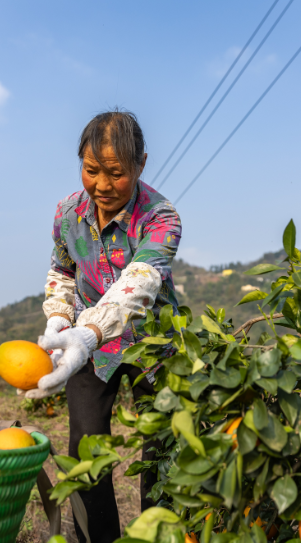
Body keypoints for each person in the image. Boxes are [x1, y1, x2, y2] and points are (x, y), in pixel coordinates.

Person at [27, 110, 182, 543]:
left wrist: (87, 331)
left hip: (154, 344)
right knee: (86, 451)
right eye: (91, 170)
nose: (102, 185)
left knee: (162, 450)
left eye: (116, 173)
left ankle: (158, 536)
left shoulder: (161, 217)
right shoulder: (67, 214)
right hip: (89, 350)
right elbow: (61, 270)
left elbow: (140, 283)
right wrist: (60, 321)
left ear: (141, 165)